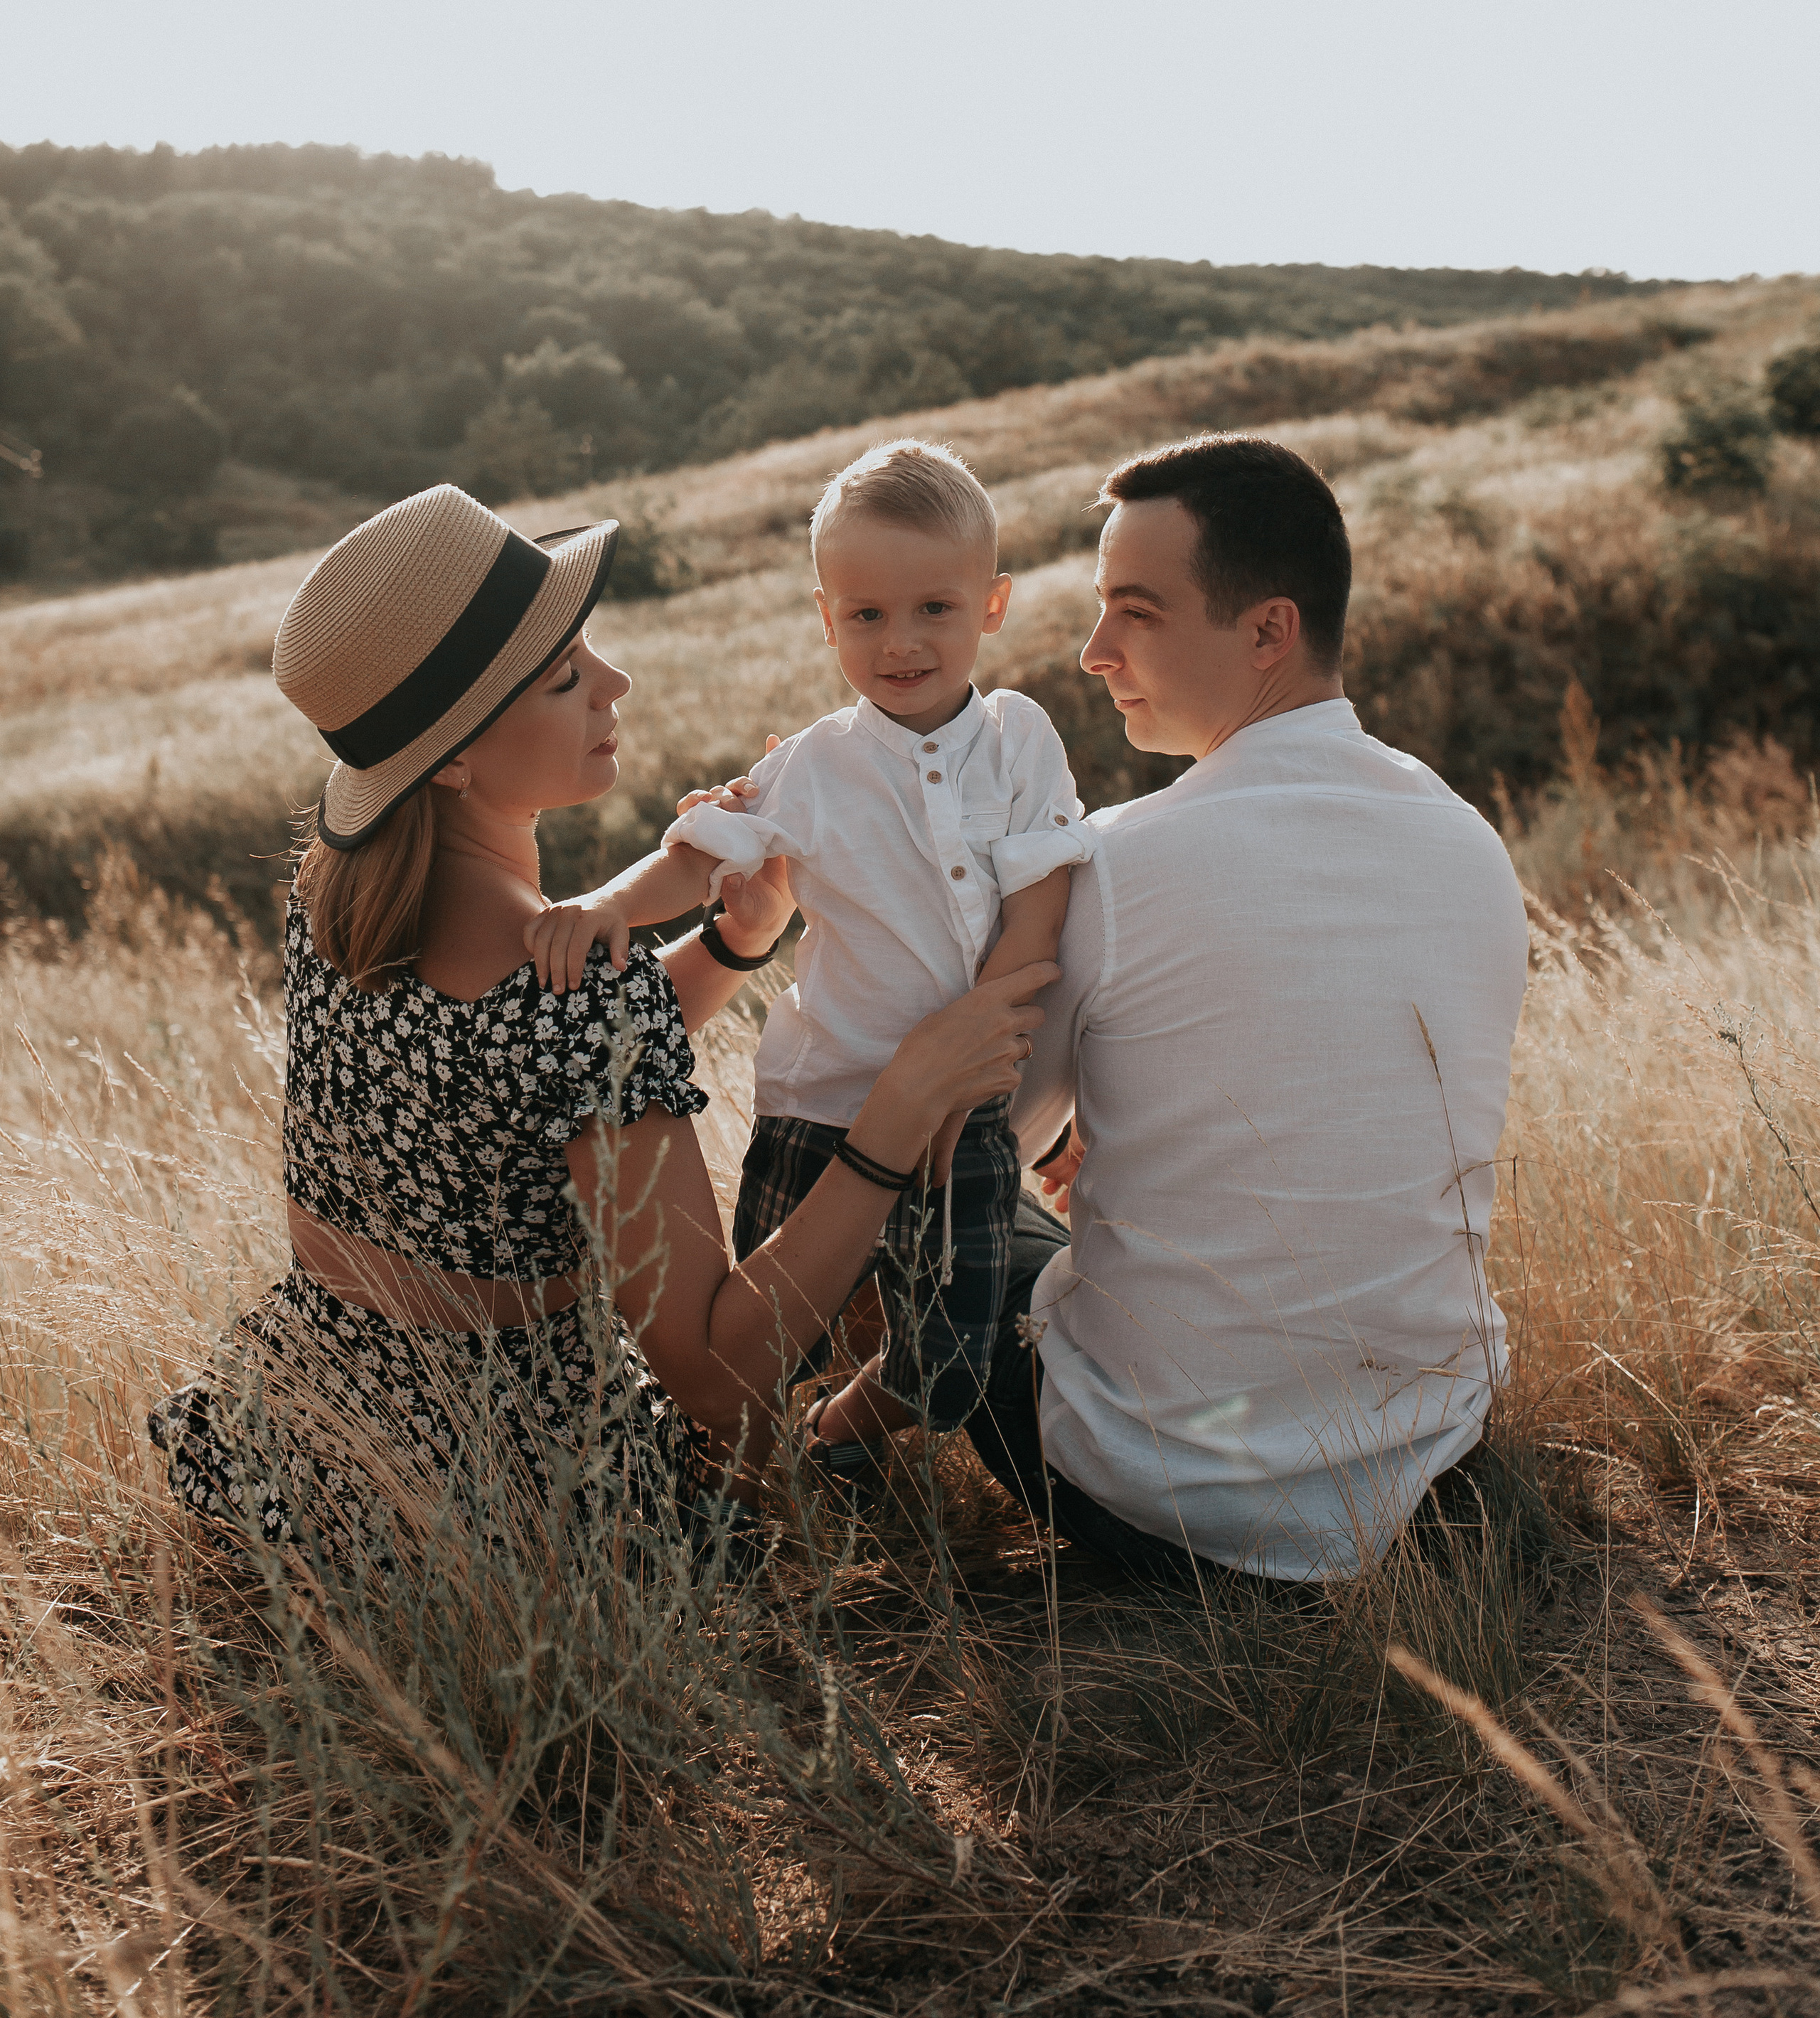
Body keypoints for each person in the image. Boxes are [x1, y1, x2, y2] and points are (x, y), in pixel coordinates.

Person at [147, 482, 1051, 1575]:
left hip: (298, 1443)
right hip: (504, 1504)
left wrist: (728, 945)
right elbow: (719, 1389)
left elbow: (525, 1072)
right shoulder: (575, 999)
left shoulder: (337, 897)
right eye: (567, 676)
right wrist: (901, 1108)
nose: (614, 684)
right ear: (453, 758)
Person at [965, 434, 1531, 1587]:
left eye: (1138, 612)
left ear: (1269, 630)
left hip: (1165, 1495)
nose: (1094, 652)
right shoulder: (1471, 840)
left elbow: (991, 1142)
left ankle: (834, 1430)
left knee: (927, 1193)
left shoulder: (1113, 865)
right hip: (1428, 1461)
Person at [526, 440, 1093, 1494]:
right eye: (866, 616)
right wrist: (608, 902)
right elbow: (700, 856)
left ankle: (845, 1426)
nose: (902, 642)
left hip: (965, 1103)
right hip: (820, 1096)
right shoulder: (815, 762)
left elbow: (1042, 906)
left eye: (936, 608)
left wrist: (986, 1065)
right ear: (827, 617)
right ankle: (737, 1485)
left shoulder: (1020, 740)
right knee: (769, 1332)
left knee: (953, 1358)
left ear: (995, 604)